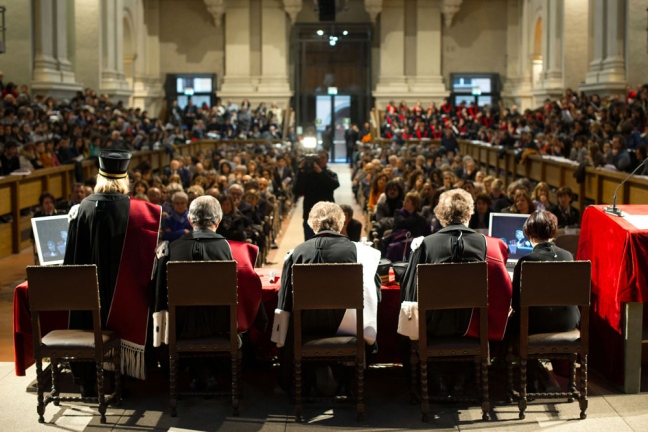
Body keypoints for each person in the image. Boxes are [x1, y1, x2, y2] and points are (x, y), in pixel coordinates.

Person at [64, 150, 161, 394]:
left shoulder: (82, 209)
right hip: (125, 292)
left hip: (88, 294)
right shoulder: (138, 211)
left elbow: (71, 260)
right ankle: (125, 379)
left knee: (89, 319)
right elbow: (147, 261)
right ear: (125, 179)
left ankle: (88, 380)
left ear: (99, 177)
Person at [272, 202, 380, 393]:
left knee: (290, 328)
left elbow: (285, 300)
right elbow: (375, 296)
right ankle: (349, 381)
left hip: (306, 327)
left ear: (312, 224)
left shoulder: (296, 253)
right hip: (348, 328)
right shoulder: (360, 252)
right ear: (341, 224)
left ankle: (305, 383)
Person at [153, 195, 233, 390]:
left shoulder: (171, 249)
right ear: (218, 221)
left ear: (190, 220)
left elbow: (157, 293)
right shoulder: (225, 248)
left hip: (180, 326)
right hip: (218, 326)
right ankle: (207, 373)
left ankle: (197, 373)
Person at [510, 210, 579, 335]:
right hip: (568, 321)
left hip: (535, 324)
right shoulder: (568, 256)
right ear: (552, 232)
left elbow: (516, 303)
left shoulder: (526, 261)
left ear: (529, 233)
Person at [293, 150, 340, 240]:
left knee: (327, 243)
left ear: (327, 159)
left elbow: (334, 185)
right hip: (310, 214)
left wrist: (320, 172)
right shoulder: (306, 175)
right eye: (318, 158)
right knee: (310, 242)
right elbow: (297, 190)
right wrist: (300, 172)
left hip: (327, 215)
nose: (321, 160)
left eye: (323, 158)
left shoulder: (330, 174)